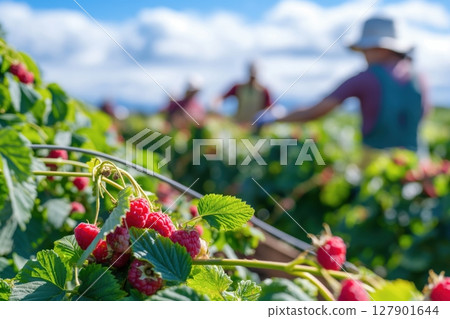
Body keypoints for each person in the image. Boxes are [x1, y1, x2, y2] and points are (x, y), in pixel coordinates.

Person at [257, 17, 430, 152]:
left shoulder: (366, 78)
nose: (364, 56)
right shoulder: (419, 78)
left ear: (379, 48)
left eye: (365, 50)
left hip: (375, 165)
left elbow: (317, 110)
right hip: (415, 163)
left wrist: (276, 118)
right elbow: (424, 114)